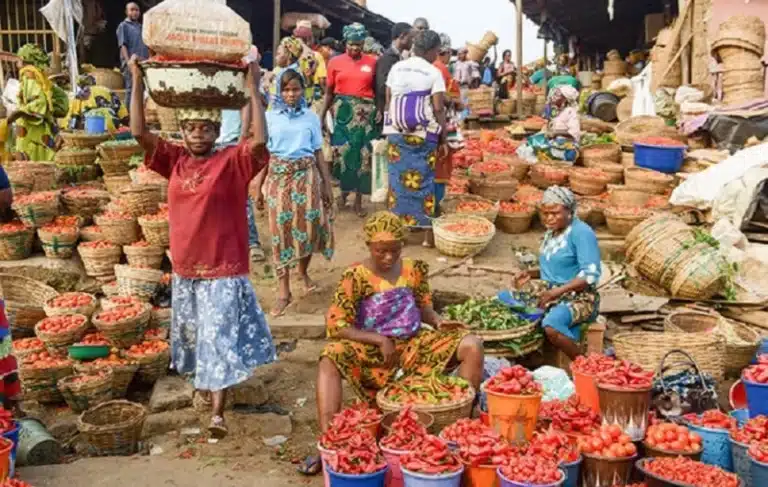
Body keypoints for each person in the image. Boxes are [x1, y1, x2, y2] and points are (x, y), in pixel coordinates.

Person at [128, 54, 276, 438]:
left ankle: (217, 413)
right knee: (197, 338)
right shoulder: (173, 159)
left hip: (222, 269)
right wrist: (136, 80)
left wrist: (253, 87)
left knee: (218, 339)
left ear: (215, 132)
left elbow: (259, 140)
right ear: (183, 131)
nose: (198, 134)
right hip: (186, 269)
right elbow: (138, 133)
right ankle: (206, 394)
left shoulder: (231, 161)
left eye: (206, 129)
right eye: (191, 128)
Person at [309, 211, 483, 472]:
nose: (388, 257)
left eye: (394, 250)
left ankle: (459, 429)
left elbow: (424, 307)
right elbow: (337, 325)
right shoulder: (355, 277)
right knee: (329, 357)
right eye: (381, 251)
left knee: (472, 344)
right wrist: (378, 339)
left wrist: (437, 321)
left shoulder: (413, 270)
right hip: (372, 351)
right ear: (369, 246)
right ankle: (329, 440)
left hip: (413, 345)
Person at [264, 69, 334, 317]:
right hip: (279, 179)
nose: (291, 94)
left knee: (310, 229)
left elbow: (317, 152)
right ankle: (283, 291)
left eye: (295, 89)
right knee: (280, 234)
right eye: (286, 89)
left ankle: (302, 271)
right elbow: (263, 154)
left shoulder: (310, 116)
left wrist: (327, 185)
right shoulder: (269, 117)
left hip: (307, 177)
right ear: (278, 92)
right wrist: (257, 182)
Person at [514, 187, 600, 360]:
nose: (549, 218)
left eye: (555, 213)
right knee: (506, 303)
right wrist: (530, 274)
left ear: (570, 211)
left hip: (579, 297)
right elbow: (555, 268)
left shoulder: (581, 233)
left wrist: (557, 292)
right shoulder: (551, 233)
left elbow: (590, 275)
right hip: (549, 292)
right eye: (545, 213)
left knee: (551, 325)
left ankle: (583, 363)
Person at [383, 30, 446, 247]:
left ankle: (397, 233)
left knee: (397, 184)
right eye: (437, 52)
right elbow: (438, 108)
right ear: (430, 51)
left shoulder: (396, 68)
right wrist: (443, 138)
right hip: (422, 135)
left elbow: (389, 100)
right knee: (425, 183)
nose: (437, 56)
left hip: (396, 134)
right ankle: (427, 237)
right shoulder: (433, 72)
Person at [321, 23, 379, 218]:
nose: (355, 48)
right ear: (346, 42)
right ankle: (344, 195)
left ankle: (358, 201)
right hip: (343, 115)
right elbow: (329, 92)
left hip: (365, 117)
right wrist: (321, 115)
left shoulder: (372, 62)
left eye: (359, 44)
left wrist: (380, 110)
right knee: (343, 155)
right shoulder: (334, 62)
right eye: (352, 44)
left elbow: (378, 91)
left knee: (363, 156)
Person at [216, 108, 266, 265]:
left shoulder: (233, 84)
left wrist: (242, 137)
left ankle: (252, 242)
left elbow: (245, 105)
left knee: (240, 194)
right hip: (209, 143)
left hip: (232, 141)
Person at [8, 44, 58, 161]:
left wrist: (19, 113)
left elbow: (38, 102)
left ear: (25, 60)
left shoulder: (29, 76)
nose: (16, 63)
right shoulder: (38, 75)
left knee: (32, 161)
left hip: (32, 129)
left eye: (18, 59)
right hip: (39, 127)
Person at [61, 74, 129, 132]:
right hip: (111, 131)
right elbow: (124, 115)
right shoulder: (106, 90)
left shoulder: (76, 97)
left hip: (88, 133)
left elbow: (71, 123)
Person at [375, 22, 414, 121]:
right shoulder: (388, 58)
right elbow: (381, 87)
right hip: (388, 109)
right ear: (402, 37)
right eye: (411, 38)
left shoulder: (398, 57)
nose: (413, 41)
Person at [116, 2, 149, 110]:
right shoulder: (123, 26)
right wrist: (128, 62)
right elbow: (122, 45)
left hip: (142, 62)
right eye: (132, 10)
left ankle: (138, 114)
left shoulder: (140, 27)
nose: (135, 12)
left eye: (137, 10)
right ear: (126, 12)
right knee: (131, 89)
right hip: (131, 63)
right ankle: (127, 115)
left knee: (142, 89)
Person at [293, 21, 326, 112]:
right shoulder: (316, 56)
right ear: (309, 39)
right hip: (312, 97)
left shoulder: (291, 56)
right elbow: (322, 80)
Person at [263, 37, 303, 110]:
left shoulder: (284, 75)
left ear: (288, 55)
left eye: (278, 54)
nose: (275, 57)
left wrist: (267, 84)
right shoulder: (298, 70)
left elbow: (277, 101)